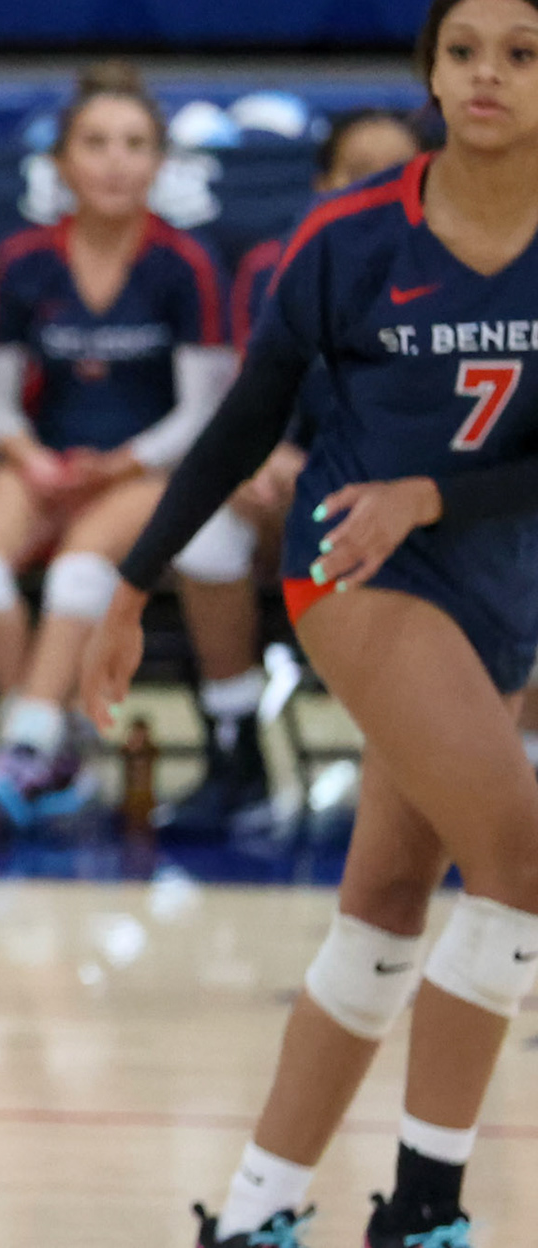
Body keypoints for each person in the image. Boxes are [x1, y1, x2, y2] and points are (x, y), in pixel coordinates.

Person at [80, 0, 538, 1244]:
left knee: (392, 896)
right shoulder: (351, 237)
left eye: (521, 52)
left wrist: (436, 497)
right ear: (430, 74)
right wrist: (132, 579)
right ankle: (427, 1210)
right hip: (354, 566)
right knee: (522, 861)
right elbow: (245, 421)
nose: (490, 73)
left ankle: (255, 1210)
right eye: (464, 51)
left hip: (498, 584)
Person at [0, 62, 232, 836]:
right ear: (62, 162)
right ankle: (58, 744)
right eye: (95, 142)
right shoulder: (24, 260)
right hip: (52, 460)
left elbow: (205, 410)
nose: (114, 160)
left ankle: (23, 742)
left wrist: (124, 464)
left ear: (161, 163)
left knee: (80, 567)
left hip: (152, 467)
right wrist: (29, 457)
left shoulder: (187, 263)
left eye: (135, 144)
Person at [162, 108, 426, 837]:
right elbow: (254, 398)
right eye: (354, 172)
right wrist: (265, 454)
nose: (374, 186)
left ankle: (489, 770)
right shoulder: (275, 267)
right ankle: (235, 745)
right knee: (210, 528)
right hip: (316, 493)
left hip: (425, 501)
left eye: (394, 171)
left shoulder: (465, 271)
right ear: (321, 187)